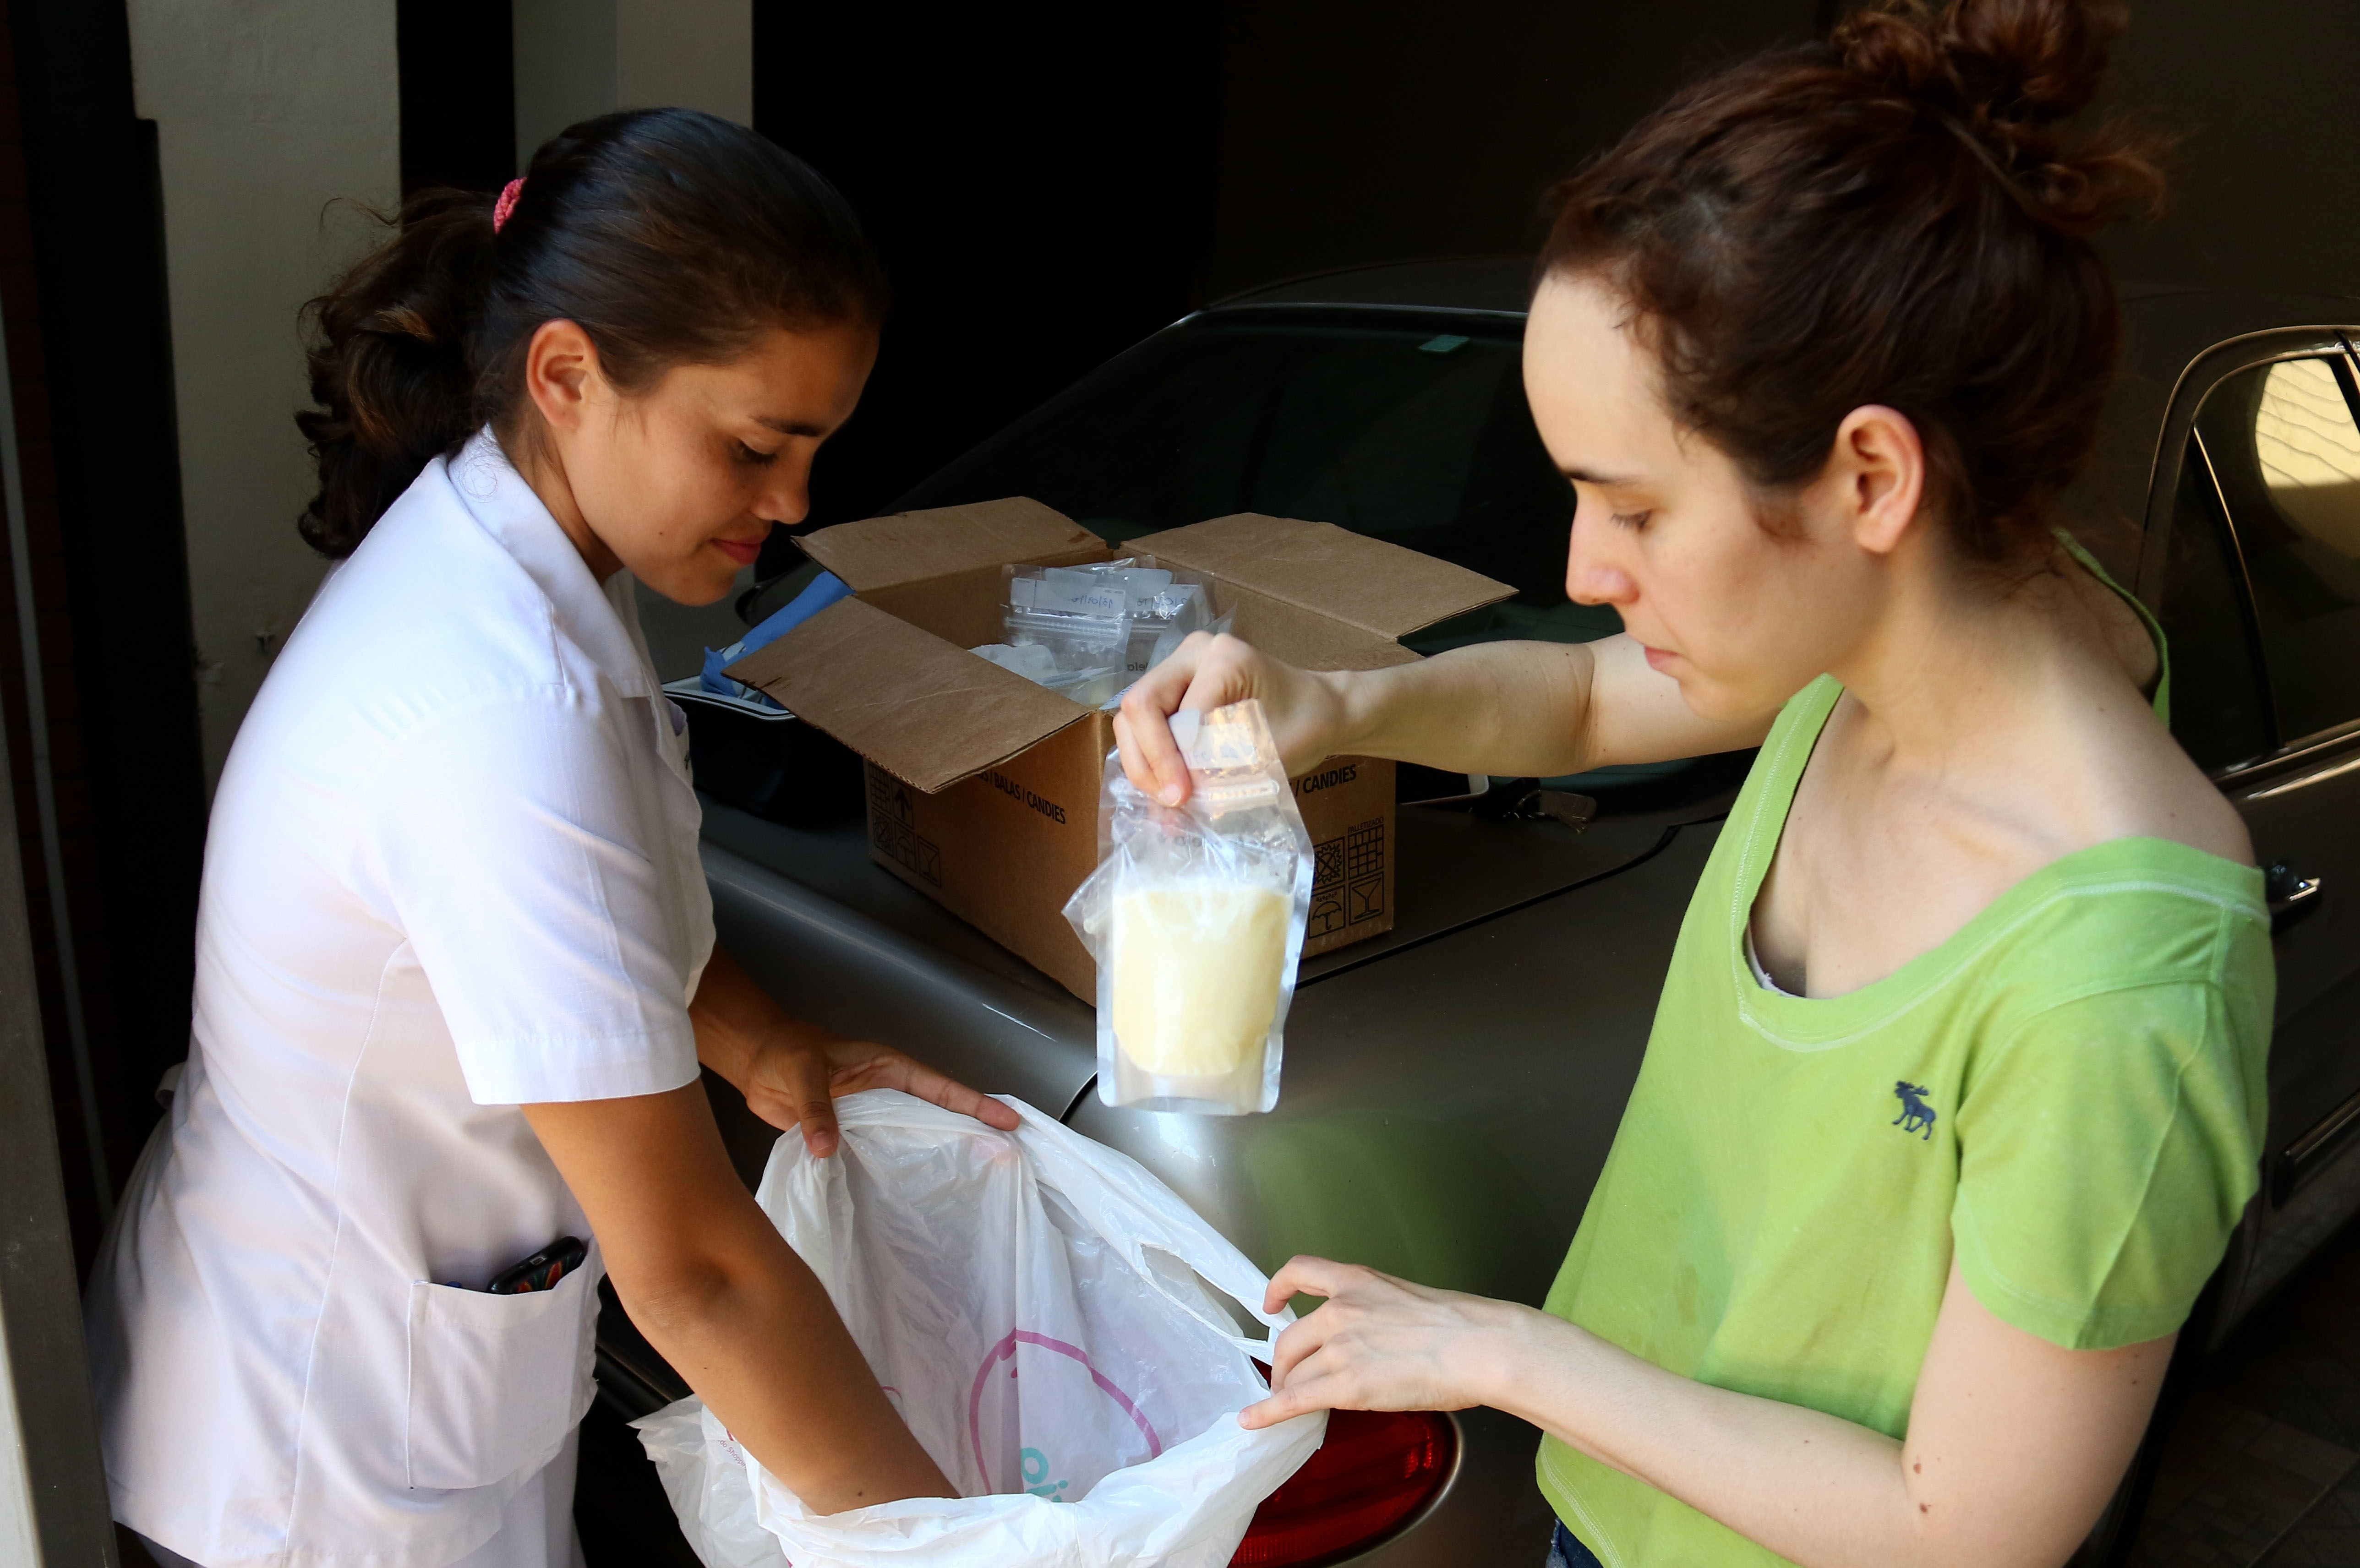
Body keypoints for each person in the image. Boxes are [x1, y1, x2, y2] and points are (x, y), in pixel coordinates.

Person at [1115, 3, 2271, 1565]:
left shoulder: (2121, 979)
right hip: (1613, 1516)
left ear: (1871, 478)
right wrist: (1340, 703)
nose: (1586, 571)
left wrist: (1497, 1352)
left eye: (1633, 508)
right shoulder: (1911, 622)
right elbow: (1588, 702)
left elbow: (1964, 1534)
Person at [84, 109, 1018, 1568]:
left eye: (816, 447)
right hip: (308, 1476)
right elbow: (699, 1275)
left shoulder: (536, 546)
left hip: (384, 1381)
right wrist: (968, 1549)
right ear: (569, 373)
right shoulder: (497, 711)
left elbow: (593, 907)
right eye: (757, 447)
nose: (794, 504)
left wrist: (763, 1041)